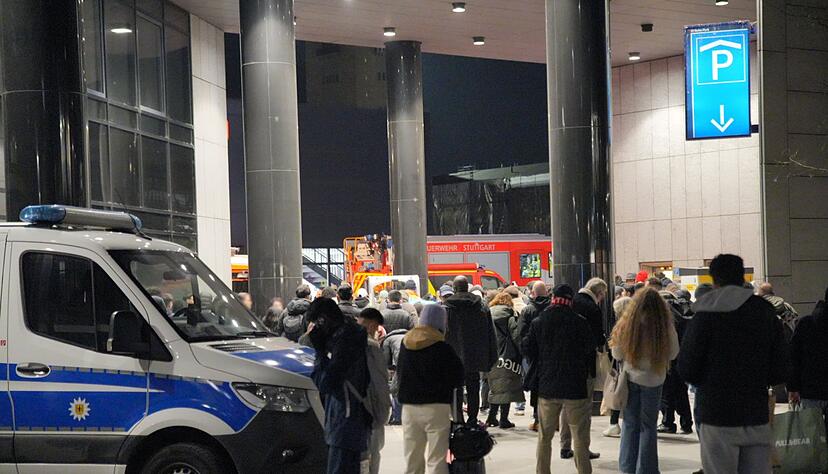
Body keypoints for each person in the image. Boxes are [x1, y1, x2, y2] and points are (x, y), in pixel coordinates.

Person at [679, 254, 787, 474]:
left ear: (713, 279)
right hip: (755, 411)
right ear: (742, 276)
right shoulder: (765, 311)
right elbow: (780, 367)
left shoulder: (705, 313)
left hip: (716, 413)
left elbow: (687, 367)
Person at [522, 284, 594, 474]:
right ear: (570, 300)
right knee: (580, 436)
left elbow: (527, 349)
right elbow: (590, 351)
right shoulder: (580, 322)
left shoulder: (539, 321)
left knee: (544, 436)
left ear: (553, 298)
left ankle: (542, 471)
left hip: (547, 386)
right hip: (575, 387)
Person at [610, 287, 679, 474]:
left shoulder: (628, 323)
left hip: (631, 377)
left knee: (630, 424)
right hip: (655, 379)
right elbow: (673, 353)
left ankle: (626, 468)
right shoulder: (664, 325)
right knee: (648, 427)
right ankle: (647, 470)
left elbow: (616, 352)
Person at [306, 297, 372, 474]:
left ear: (323, 319)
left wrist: (320, 351)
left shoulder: (344, 343)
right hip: (352, 414)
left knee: (339, 467)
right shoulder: (352, 334)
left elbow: (325, 382)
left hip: (344, 416)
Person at [397, 304, 464, 474]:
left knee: (412, 458)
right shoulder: (443, 348)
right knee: (437, 460)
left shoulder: (406, 343)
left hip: (409, 407)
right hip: (437, 407)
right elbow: (458, 376)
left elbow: (400, 373)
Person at [561, 278, 607, 460]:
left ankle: (565, 446)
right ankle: (583, 449)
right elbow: (597, 339)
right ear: (599, 293)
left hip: (565, 363)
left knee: (566, 406)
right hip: (584, 365)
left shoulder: (569, 303)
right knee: (583, 409)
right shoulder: (592, 308)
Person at [444, 275, 497, 426]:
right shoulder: (481, 307)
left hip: (453, 356)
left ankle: (458, 419)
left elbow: (444, 333)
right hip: (475, 355)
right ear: (467, 287)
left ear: (454, 288)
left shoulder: (447, 308)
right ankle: (473, 419)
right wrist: (491, 355)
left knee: (456, 388)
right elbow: (490, 333)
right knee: (474, 387)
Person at [787, 286, 828, 437]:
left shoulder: (806, 323)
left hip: (810, 390)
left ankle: (815, 461)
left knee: (812, 439)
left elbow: (794, 357)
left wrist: (792, 387)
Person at [657, 286, 694, 435]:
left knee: (666, 392)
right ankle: (686, 423)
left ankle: (667, 422)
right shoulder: (684, 312)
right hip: (682, 357)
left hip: (667, 357)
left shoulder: (664, 315)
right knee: (681, 390)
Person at [484, 292, 524, 429]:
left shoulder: (487, 314)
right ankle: (504, 419)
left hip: (491, 356)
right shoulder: (511, 316)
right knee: (506, 388)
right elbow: (516, 336)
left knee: (495, 387)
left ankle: (491, 417)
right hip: (507, 356)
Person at [356, 308, 387, 474]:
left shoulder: (344, 343)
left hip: (349, 413)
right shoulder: (371, 346)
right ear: (372, 325)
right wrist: (382, 414)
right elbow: (379, 385)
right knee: (372, 455)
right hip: (370, 411)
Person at [517, 280, 550, 431]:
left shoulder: (528, 310)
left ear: (533, 293)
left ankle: (537, 418)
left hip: (534, 355)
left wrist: (526, 352)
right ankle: (551, 419)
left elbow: (521, 333)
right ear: (547, 292)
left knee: (535, 386)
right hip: (550, 354)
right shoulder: (552, 308)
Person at [603, 295, 634, 438]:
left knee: (618, 393)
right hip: (643, 369)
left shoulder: (621, 327)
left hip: (625, 367)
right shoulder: (639, 323)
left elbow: (617, 353)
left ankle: (614, 424)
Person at [382, 325, 409, 426]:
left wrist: (390, 368)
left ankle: (397, 418)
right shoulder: (411, 336)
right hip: (415, 364)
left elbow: (385, 359)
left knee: (395, 389)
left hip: (401, 364)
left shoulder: (388, 339)